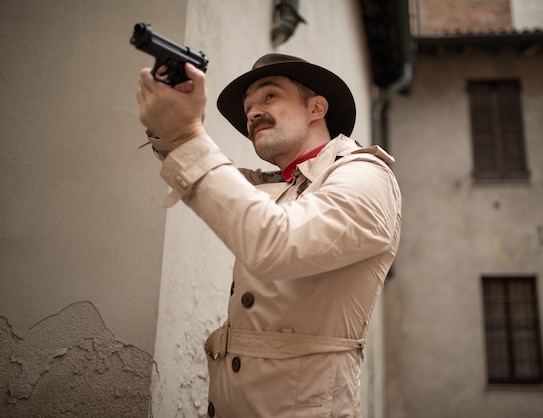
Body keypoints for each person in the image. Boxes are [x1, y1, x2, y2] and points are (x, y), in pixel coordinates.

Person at [136, 53, 401, 417]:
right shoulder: (280, 184)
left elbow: (277, 243)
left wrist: (187, 134)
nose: (252, 112)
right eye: (248, 107)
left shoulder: (365, 174)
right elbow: (213, 178)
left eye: (269, 96)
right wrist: (168, 124)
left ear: (316, 107)